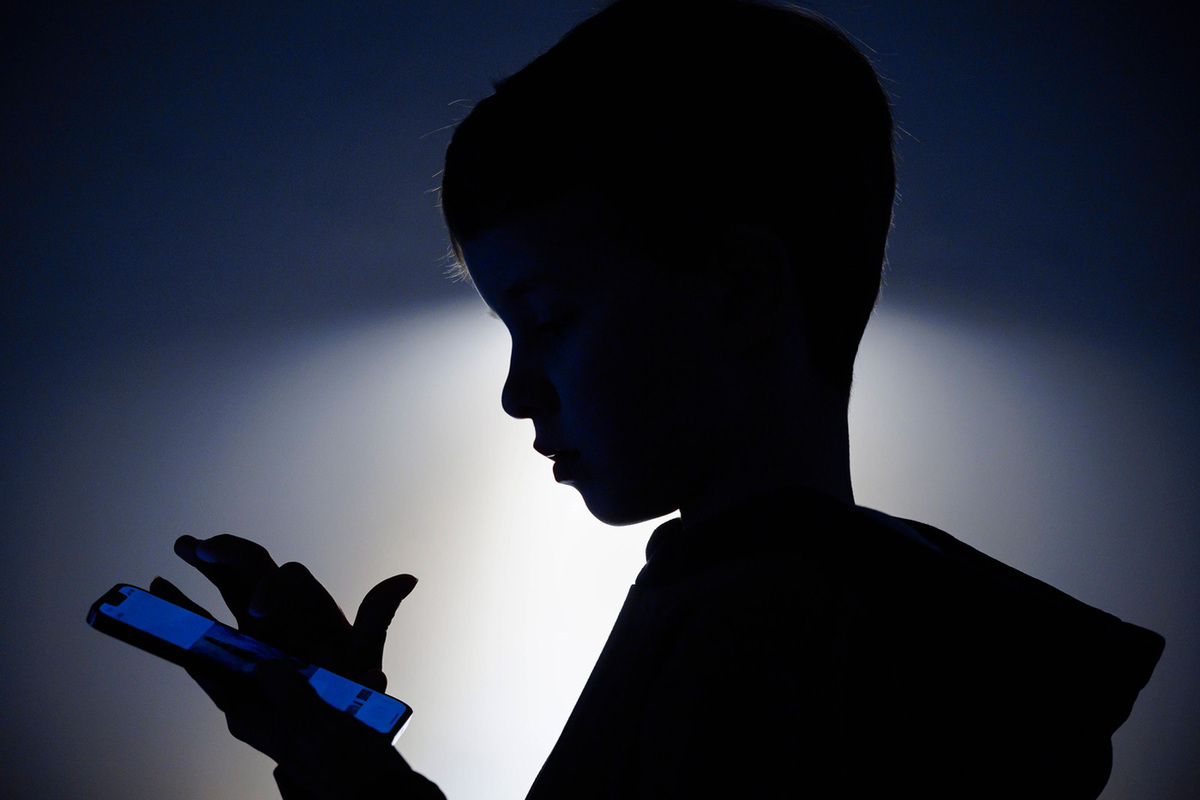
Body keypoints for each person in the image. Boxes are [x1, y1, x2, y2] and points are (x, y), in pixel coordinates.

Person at [149, 1, 1165, 797]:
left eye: (550, 318)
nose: (516, 393)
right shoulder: (874, 615)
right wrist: (336, 749)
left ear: (739, 295)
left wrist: (341, 762)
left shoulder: (765, 636)